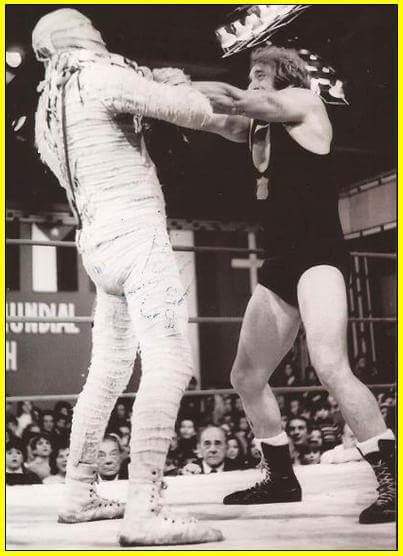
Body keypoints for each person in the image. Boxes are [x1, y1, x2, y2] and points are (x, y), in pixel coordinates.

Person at [32, 8, 221, 546]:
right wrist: (175, 83)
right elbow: (192, 111)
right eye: (90, 29)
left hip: (98, 243)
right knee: (171, 362)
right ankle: (146, 511)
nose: (99, 34)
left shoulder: (48, 106)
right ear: (75, 37)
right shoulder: (97, 75)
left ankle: (78, 494)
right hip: (136, 237)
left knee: (109, 371)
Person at [194, 45, 395, 523]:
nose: (252, 80)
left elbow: (235, 99)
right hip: (280, 264)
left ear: (285, 75)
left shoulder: (305, 102)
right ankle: (281, 477)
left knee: (330, 364)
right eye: (250, 74)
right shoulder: (256, 128)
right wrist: (149, 100)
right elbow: (208, 117)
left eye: (260, 73)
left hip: (318, 257)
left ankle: (394, 478)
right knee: (245, 377)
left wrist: (166, 81)